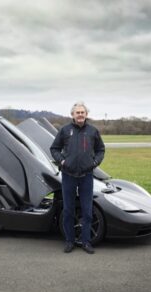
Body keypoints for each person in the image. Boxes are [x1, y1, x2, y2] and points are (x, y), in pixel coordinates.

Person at [50, 102, 105, 254]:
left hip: (86, 176)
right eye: (77, 112)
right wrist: (62, 161)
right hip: (68, 176)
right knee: (68, 210)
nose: (80, 115)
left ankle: (86, 241)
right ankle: (69, 241)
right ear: (72, 115)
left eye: (82, 112)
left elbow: (101, 150)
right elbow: (54, 148)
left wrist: (95, 162)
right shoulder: (65, 130)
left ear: (86, 114)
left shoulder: (93, 131)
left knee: (87, 211)